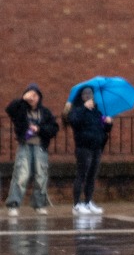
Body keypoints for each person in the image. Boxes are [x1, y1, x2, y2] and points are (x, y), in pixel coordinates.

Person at [5, 84, 59, 216]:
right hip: (25, 145)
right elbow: (10, 109)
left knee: (41, 175)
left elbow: (54, 128)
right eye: (30, 95)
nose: (32, 98)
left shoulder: (45, 112)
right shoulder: (21, 109)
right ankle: (13, 204)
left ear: (39, 97)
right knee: (21, 174)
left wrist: (39, 129)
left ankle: (39, 204)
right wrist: (23, 98)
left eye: (35, 95)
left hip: (40, 146)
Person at [67, 86, 113, 215]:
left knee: (92, 175)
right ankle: (76, 204)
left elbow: (104, 128)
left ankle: (88, 201)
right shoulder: (77, 110)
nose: (89, 96)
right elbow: (73, 121)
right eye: (86, 94)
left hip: (96, 146)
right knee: (82, 174)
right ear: (81, 97)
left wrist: (108, 123)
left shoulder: (97, 111)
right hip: (83, 147)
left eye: (91, 94)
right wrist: (83, 108)